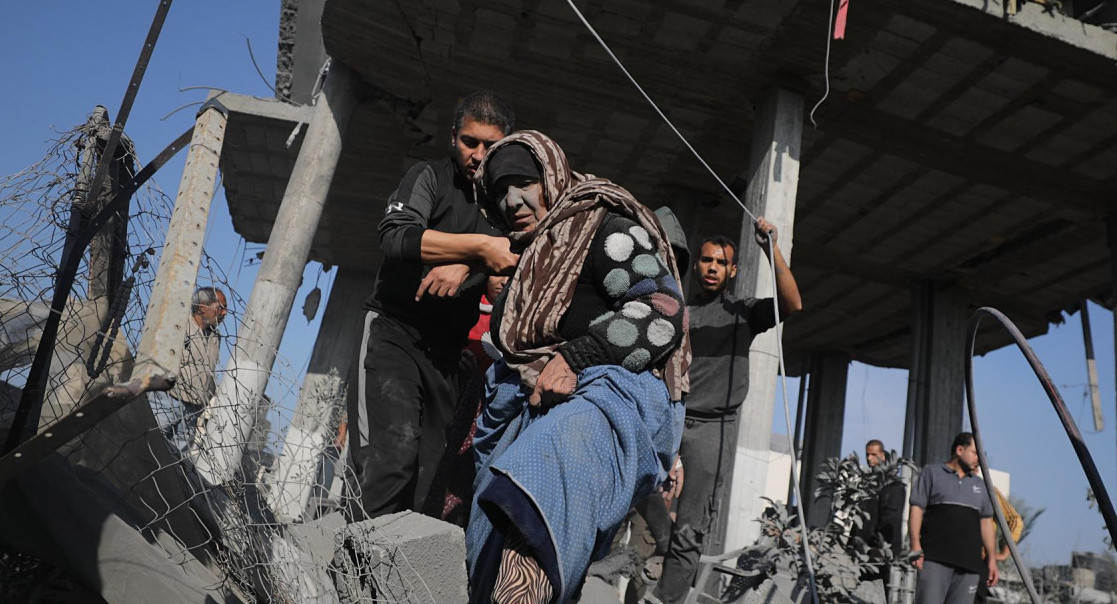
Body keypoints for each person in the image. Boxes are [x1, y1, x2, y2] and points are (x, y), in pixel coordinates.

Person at [465, 130, 690, 604]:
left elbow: (663, 310)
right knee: (491, 541)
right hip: (525, 411)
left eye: (523, 183)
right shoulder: (530, 264)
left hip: (602, 403)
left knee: (535, 502)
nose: (512, 201)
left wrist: (575, 355)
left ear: (551, 175)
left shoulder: (604, 228)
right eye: (500, 193)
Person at [348, 91, 518, 520]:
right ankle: (345, 574)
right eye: (469, 141)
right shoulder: (429, 177)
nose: (478, 155)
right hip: (393, 334)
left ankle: (390, 583)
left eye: (490, 145)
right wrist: (476, 249)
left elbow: (512, 270)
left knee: (429, 485)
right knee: (392, 460)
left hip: (447, 356)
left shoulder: (506, 209)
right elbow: (397, 236)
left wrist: (471, 265)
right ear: (453, 138)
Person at [654, 225, 801, 604]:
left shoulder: (743, 312)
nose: (713, 267)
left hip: (713, 429)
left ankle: (665, 597)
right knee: (633, 487)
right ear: (697, 265)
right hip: (670, 417)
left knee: (691, 529)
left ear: (733, 270)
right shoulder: (677, 312)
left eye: (722, 262)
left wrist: (772, 249)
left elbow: (792, 304)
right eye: (707, 260)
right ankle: (663, 552)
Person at [909, 432, 999, 604]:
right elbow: (916, 508)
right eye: (975, 453)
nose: (979, 459)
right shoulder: (932, 473)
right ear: (959, 450)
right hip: (935, 559)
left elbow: (986, 522)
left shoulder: (980, 485)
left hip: (970, 565)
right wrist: (915, 545)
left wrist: (992, 560)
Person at [151, 286, 227, 454]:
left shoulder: (216, 337)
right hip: (168, 398)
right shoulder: (180, 326)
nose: (224, 313)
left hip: (194, 408)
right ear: (202, 308)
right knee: (153, 441)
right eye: (220, 308)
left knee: (178, 456)